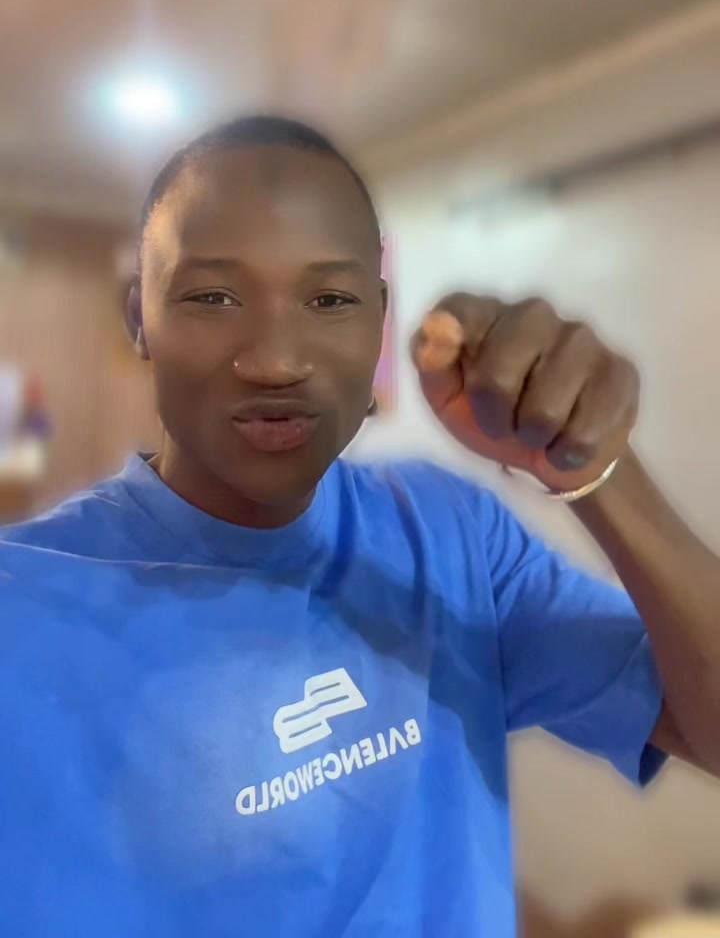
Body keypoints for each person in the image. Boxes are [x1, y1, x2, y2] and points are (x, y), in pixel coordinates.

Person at [1, 114, 718, 938]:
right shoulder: (21, 606)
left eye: (330, 299)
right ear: (139, 317)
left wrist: (597, 469)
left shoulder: (449, 531)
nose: (276, 360)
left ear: (379, 319)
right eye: (213, 297)